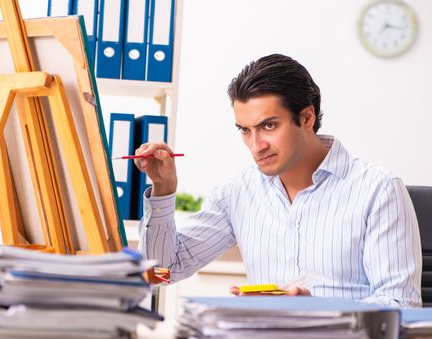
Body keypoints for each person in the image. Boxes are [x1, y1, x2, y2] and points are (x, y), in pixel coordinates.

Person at [135, 54, 422, 307]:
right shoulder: (239, 192)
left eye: (268, 126)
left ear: (306, 117)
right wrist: (163, 189)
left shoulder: (378, 190)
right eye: (245, 130)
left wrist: (319, 309)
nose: (256, 145)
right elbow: (163, 271)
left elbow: (400, 303)